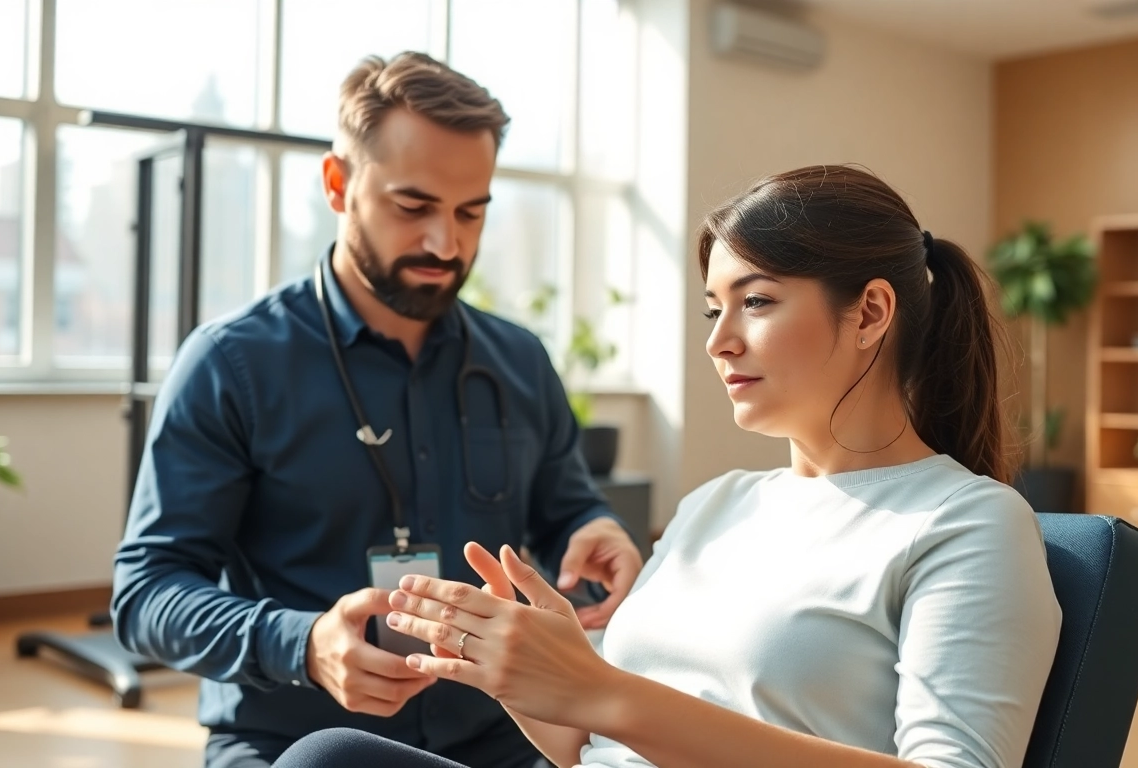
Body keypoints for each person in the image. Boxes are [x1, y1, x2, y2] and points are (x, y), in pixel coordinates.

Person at [271, 164, 1065, 768]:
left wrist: (604, 691)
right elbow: (591, 746)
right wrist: (524, 672)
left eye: (756, 302)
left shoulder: (966, 523)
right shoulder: (716, 504)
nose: (719, 341)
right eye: (714, 309)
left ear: (871, 312)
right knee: (331, 760)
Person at [110, 51, 643, 768]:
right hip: (288, 742)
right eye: (413, 207)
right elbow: (147, 594)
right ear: (338, 184)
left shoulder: (519, 360)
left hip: (505, 742)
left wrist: (594, 528)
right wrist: (301, 643)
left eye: (470, 212)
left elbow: (566, 508)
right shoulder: (232, 364)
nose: (445, 243)